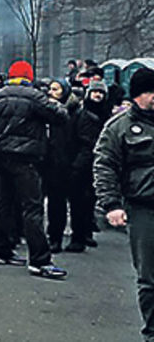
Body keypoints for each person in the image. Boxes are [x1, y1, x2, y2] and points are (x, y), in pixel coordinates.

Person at [0, 60, 69, 279]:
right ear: (29, 76)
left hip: (2, 155)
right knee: (32, 207)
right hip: (26, 157)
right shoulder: (34, 96)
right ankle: (40, 260)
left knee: (3, 204)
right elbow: (60, 116)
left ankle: (1, 251)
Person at [95, 67, 154, 342]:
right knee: (150, 277)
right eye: (149, 92)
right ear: (136, 96)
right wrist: (111, 204)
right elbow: (105, 165)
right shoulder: (119, 127)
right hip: (142, 209)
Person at [65, 79, 107, 252]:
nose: (97, 95)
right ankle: (80, 235)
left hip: (90, 163)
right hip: (84, 163)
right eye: (95, 92)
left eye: (101, 92)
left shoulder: (100, 114)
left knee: (86, 201)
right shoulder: (83, 114)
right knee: (81, 201)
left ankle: (83, 234)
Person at [44, 79, 75, 254]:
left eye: (56, 89)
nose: (51, 92)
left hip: (61, 163)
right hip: (44, 160)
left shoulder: (72, 112)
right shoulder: (45, 110)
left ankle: (56, 237)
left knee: (57, 203)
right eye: (50, 89)